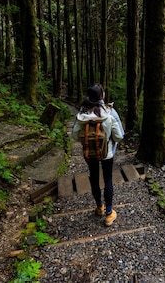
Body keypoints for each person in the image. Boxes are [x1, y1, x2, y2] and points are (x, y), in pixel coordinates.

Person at [71, 84, 124, 226]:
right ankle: (109, 214)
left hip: (89, 153)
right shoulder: (110, 112)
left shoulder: (82, 113)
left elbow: (75, 136)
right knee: (108, 179)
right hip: (107, 153)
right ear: (102, 95)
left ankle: (99, 207)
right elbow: (119, 136)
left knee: (94, 178)